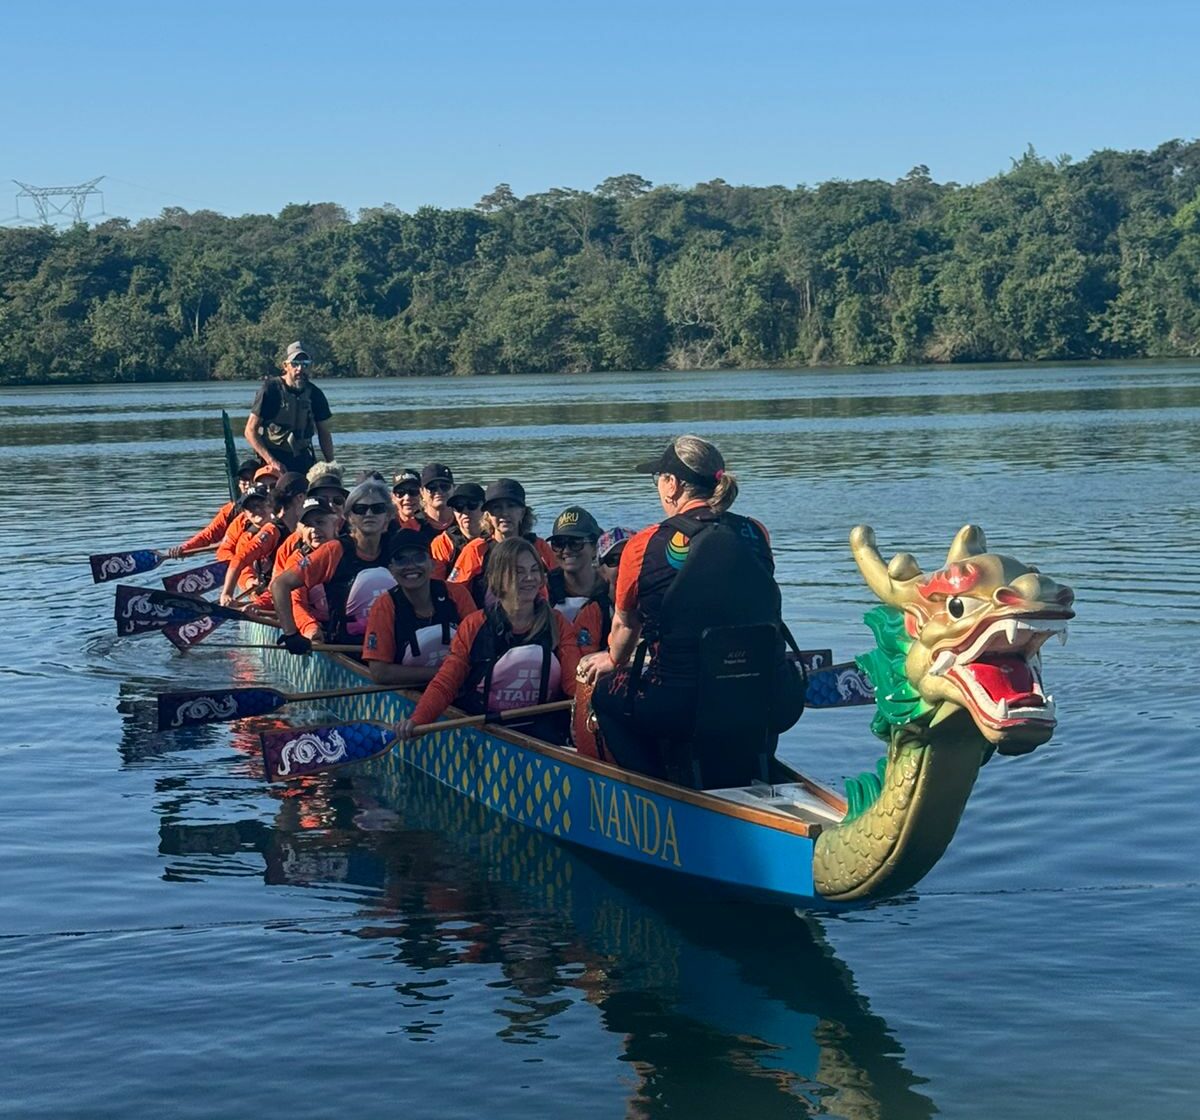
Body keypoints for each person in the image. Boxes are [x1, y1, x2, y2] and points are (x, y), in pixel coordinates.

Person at [576, 435, 803, 784]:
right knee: (745, 697)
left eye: (658, 480)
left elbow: (625, 625)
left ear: (672, 485)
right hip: (769, 696)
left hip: (679, 703)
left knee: (605, 699)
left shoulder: (643, 546)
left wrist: (612, 659)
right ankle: (754, 770)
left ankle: (658, 790)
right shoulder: (756, 532)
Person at [395, 538, 579, 742]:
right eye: (518, 572)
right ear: (498, 579)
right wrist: (418, 720)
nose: (529, 578)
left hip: (542, 725)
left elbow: (573, 683)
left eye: (535, 570)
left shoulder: (558, 623)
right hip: (485, 726)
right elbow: (447, 682)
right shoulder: (474, 625)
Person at [271, 476, 393, 651]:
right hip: (348, 647)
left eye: (377, 509)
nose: (369, 515)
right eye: (360, 509)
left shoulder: (397, 548)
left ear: (388, 516)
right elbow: (279, 585)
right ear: (350, 517)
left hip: (391, 644)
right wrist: (291, 634)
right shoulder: (333, 551)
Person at [361, 530, 477, 687]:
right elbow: (380, 672)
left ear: (432, 564)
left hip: (459, 689)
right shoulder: (384, 606)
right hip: (413, 691)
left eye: (419, 558)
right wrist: (444, 674)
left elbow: (480, 648)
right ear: (392, 570)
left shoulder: (457, 594)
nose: (411, 566)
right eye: (401, 560)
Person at [447, 478, 557, 607]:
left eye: (511, 506)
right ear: (487, 515)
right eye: (497, 507)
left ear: (522, 512)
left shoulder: (539, 546)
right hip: (489, 621)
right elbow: (453, 591)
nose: (504, 513)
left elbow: (559, 581)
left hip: (536, 618)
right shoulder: (476, 549)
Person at [218, 472, 309, 607]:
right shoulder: (272, 531)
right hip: (271, 594)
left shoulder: (312, 528)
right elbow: (240, 559)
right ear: (301, 498)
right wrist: (227, 594)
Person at [244, 341, 334, 474]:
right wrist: (272, 461)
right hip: (274, 457)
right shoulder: (270, 390)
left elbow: (324, 433)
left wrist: (331, 464)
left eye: (305, 364)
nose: (300, 369)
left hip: (302, 457)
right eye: (295, 364)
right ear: (285, 366)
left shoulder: (315, 394)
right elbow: (250, 431)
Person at [545, 506, 612, 656]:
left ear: (595, 547)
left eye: (576, 543)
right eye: (559, 543)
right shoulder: (544, 588)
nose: (566, 550)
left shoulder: (610, 591)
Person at [167, 457, 261, 557]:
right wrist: (185, 548)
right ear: (239, 483)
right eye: (244, 479)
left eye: (252, 479)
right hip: (235, 559)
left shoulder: (269, 508)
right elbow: (208, 535)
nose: (248, 484)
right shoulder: (231, 511)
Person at [430, 482, 486, 579]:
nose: (465, 511)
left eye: (472, 505)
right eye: (458, 507)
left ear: (484, 508)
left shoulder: (495, 538)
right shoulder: (443, 543)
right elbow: (436, 582)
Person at [391, 468, 439, 540]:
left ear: (421, 494)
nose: (407, 497)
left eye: (413, 491)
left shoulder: (433, 526)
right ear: (393, 497)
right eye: (400, 492)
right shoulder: (386, 527)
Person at [595, 526, 636, 596]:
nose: (623, 564)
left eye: (630, 557)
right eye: (613, 560)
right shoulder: (593, 606)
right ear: (601, 570)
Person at [419, 463, 456, 532]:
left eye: (444, 486)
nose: (439, 491)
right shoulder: (413, 526)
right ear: (422, 493)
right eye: (432, 487)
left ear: (454, 488)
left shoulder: (464, 523)